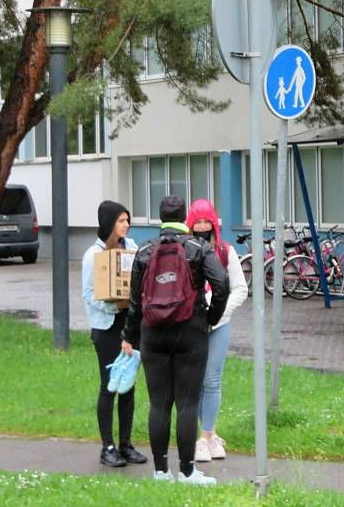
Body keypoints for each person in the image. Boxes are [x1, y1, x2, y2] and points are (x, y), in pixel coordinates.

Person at [121, 195, 229, 485]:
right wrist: (210, 318)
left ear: (160, 216)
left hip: (152, 333)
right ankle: (188, 471)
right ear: (184, 217)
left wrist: (130, 336)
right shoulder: (198, 247)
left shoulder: (144, 250)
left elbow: (134, 300)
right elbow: (221, 283)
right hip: (190, 331)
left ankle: (159, 471)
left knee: (159, 403)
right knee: (187, 403)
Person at [81, 200, 147, 468]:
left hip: (130, 327)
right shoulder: (92, 255)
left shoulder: (131, 249)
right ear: (109, 223)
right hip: (107, 328)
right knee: (110, 385)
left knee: (128, 385)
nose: (127, 225)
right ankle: (107, 447)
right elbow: (89, 295)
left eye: (127, 220)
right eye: (121, 220)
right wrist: (114, 304)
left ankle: (125, 444)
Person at [185, 199, 248, 462]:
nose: (201, 226)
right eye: (196, 221)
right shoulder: (184, 250)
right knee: (196, 382)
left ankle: (206, 436)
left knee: (212, 380)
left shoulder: (224, 251)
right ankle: (208, 435)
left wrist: (220, 313)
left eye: (205, 221)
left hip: (218, 325)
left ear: (213, 222)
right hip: (192, 325)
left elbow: (240, 289)